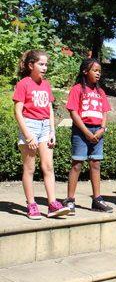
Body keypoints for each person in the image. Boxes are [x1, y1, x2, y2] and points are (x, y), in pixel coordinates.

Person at [12, 50, 70, 219]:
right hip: (29, 126)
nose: (44, 67)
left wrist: (53, 130)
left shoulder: (46, 84)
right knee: (30, 168)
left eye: (46, 64)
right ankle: (31, 205)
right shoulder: (23, 84)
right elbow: (17, 111)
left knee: (48, 166)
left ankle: (52, 205)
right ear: (31, 65)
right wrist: (28, 135)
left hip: (45, 126)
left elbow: (49, 109)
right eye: (41, 64)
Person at [63, 58, 113, 213]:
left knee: (96, 164)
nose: (98, 74)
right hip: (81, 131)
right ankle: (70, 200)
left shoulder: (101, 92)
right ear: (85, 71)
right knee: (77, 164)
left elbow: (104, 112)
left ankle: (97, 199)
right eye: (95, 70)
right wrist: (85, 131)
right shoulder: (77, 89)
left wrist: (102, 129)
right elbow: (73, 112)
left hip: (97, 131)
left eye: (99, 71)